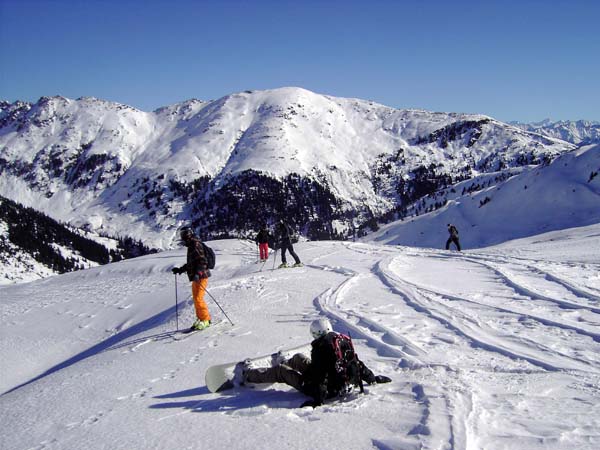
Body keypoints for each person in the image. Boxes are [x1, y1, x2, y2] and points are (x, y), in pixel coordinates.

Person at [234, 318, 391, 408]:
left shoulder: (321, 347)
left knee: (280, 371)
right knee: (299, 358)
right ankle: (288, 361)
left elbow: (320, 375)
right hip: (338, 381)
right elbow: (355, 362)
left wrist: (318, 400)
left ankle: (248, 375)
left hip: (324, 389)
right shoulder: (340, 341)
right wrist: (372, 378)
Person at [171, 227, 212, 331]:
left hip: (201, 276)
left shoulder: (195, 244)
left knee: (198, 298)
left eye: (184, 233)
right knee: (195, 298)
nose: (182, 236)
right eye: (182, 234)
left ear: (189, 234)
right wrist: (180, 269)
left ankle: (206, 320)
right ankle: (200, 318)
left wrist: (198, 273)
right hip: (196, 276)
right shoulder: (191, 245)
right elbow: (192, 263)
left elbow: (203, 261)